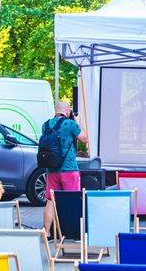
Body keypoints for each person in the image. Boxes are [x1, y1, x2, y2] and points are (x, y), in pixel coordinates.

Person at [43, 101, 88, 239]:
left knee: (50, 200)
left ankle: (47, 232)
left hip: (52, 169)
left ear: (56, 110)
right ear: (68, 112)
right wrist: (78, 122)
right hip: (69, 169)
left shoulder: (46, 124)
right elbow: (84, 139)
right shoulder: (70, 124)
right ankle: (73, 233)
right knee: (73, 201)